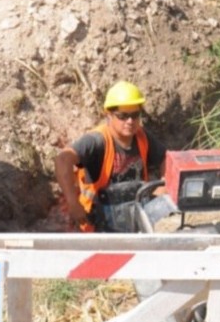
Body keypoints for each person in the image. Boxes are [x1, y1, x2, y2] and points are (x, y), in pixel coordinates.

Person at [55, 81, 167, 232]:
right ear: (109, 115)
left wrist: (165, 184)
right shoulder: (97, 141)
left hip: (135, 220)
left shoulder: (142, 137)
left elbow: (166, 158)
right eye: (123, 116)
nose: (130, 121)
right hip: (98, 228)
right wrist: (73, 203)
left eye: (135, 115)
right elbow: (63, 160)